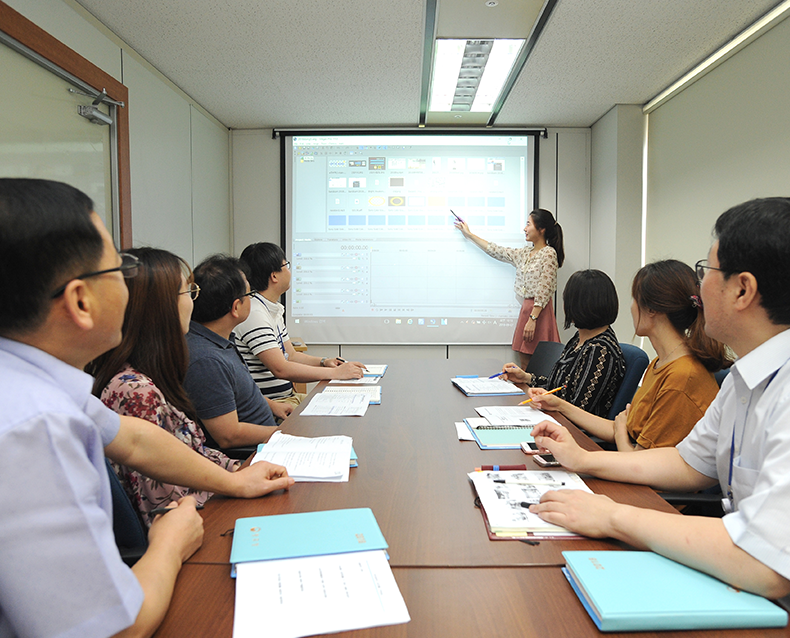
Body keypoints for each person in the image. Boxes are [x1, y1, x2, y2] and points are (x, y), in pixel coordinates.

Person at [0, 178, 294, 638]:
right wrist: (170, 545)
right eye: (119, 270)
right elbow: (115, 628)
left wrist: (234, 482)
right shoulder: (32, 427)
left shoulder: (37, 385)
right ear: (81, 299)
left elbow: (134, 439)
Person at [528, 197, 790, 600]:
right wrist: (584, 460)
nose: (699, 288)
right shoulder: (744, 378)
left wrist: (613, 516)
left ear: (742, 289)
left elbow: (767, 562)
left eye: (706, 270)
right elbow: (688, 462)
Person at [88, 247, 255, 525]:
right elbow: (167, 506)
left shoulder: (152, 374)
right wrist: (236, 483)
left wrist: (239, 470)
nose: (193, 302)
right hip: (195, 526)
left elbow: (195, 454)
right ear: (159, 306)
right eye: (188, 291)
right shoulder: (136, 392)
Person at [528, 260, 731, 451]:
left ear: (651, 309)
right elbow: (619, 429)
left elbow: (638, 462)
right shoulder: (660, 363)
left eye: (635, 299)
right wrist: (558, 404)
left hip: (646, 484)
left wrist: (620, 437)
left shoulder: (682, 376)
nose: (631, 307)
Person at [235, 242, 365, 406]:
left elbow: (292, 355)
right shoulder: (255, 314)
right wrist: (335, 373)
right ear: (274, 276)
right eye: (286, 265)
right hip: (273, 405)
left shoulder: (270, 309)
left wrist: (324, 362)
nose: (289, 271)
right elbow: (281, 368)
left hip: (287, 398)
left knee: (349, 403)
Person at [184, 255, 291, 449]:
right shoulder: (206, 361)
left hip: (267, 437)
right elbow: (229, 435)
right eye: (249, 295)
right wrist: (285, 433)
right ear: (236, 307)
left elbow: (232, 394)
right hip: (250, 456)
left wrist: (270, 405)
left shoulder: (218, 339)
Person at [500, 269, 625, 418]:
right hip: (555, 418)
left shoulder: (599, 350)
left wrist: (549, 402)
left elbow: (579, 409)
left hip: (572, 431)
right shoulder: (579, 339)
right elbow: (560, 386)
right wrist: (526, 378)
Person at [456, 208, 564, 369]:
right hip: (527, 310)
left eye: (528, 224)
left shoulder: (548, 253)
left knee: (542, 364)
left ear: (541, 229)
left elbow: (544, 288)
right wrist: (470, 235)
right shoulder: (525, 252)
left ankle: (539, 394)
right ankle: (526, 394)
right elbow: (496, 250)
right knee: (524, 362)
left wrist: (533, 319)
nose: (524, 229)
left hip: (539, 312)